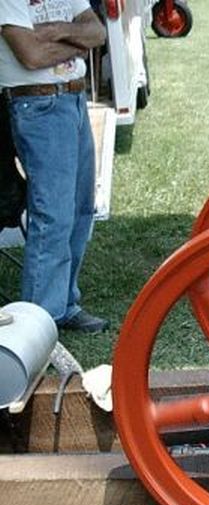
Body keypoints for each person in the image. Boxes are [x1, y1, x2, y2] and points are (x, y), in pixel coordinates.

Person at [0, 0, 107, 332]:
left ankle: (61, 306)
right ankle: (39, 322)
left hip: (71, 99)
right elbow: (31, 56)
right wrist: (76, 41)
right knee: (54, 214)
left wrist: (56, 31)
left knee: (79, 208)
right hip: (38, 103)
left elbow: (98, 32)